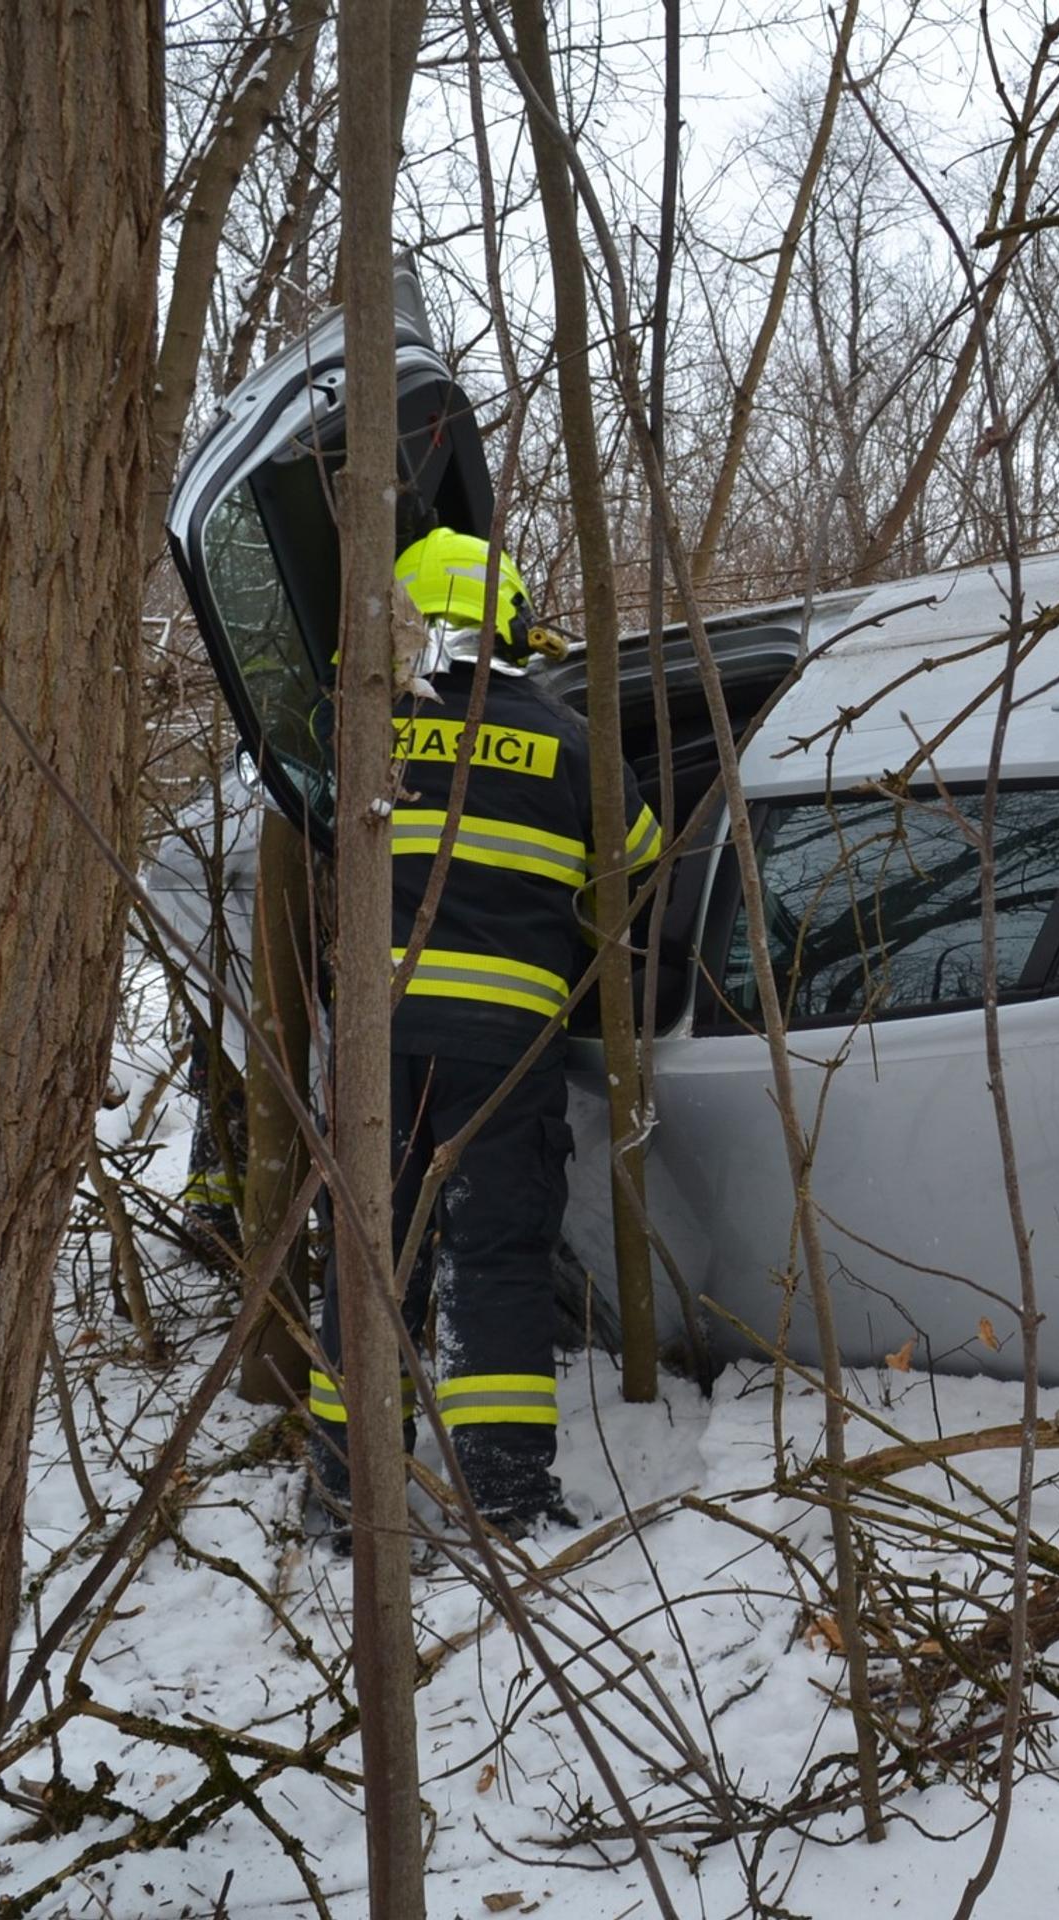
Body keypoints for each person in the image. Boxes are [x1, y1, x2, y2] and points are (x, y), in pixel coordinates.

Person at [302, 527, 661, 1544]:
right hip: (504, 1051)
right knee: (496, 1258)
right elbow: (637, 860)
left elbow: (313, 827)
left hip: (376, 1048)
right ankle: (503, 1494)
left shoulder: (359, 730)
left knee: (369, 1258)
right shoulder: (570, 742)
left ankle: (347, 1493)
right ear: (511, 625)